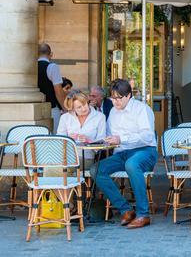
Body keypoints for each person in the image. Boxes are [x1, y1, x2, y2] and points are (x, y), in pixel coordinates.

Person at [91, 79, 157, 229]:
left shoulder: (142, 109)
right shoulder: (113, 112)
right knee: (96, 169)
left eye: (118, 98)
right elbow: (109, 135)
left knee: (132, 165)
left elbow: (147, 137)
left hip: (145, 151)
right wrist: (97, 141)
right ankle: (126, 209)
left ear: (128, 95)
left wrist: (122, 139)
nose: (115, 102)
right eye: (112, 98)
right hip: (122, 152)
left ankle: (143, 214)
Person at [57, 90, 106, 168]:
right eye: (79, 107)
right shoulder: (65, 117)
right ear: (72, 109)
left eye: (84, 104)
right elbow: (59, 141)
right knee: (49, 169)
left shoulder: (100, 117)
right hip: (66, 157)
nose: (83, 109)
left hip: (86, 158)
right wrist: (68, 139)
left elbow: (102, 144)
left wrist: (89, 140)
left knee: (63, 170)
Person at [37, 43, 66, 133]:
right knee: (54, 135)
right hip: (52, 108)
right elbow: (58, 91)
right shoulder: (52, 67)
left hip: (36, 109)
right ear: (51, 54)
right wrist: (65, 108)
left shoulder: (32, 67)